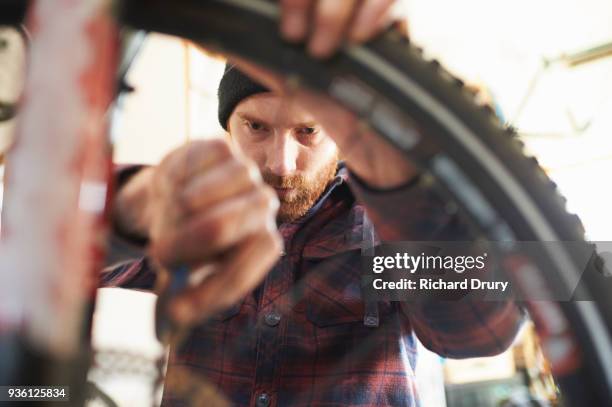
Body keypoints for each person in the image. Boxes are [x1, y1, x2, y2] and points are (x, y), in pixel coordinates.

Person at [101, 1, 524, 405]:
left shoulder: (385, 224)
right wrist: (130, 210)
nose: (281, 165)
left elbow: (480, 333)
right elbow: (51, 259)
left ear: (340, 131)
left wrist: (405, 193)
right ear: (227, 125)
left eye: (308, 131)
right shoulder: (199, 210)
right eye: (256, 127)